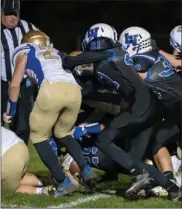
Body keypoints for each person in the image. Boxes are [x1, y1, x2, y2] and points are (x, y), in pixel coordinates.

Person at [62, 23, 182, 200]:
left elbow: (68, 60)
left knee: (104, 140)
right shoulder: (122, 54)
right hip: (151, 107)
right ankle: (172, 188)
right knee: (133, 160)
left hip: (142, 105)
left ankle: (142, 176)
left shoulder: (108, 55)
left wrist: (54, 57)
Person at [3, 30, 97, 197]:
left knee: (39, 138)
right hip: (74, 90)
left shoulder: (25, 50)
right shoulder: (57, 52)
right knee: (64, 133)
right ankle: (86, 169)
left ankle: (63, 182)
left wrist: (11, 110)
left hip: (51, 88)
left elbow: (15, 83)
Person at [1, 0, 38, 144]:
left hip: (24, 84)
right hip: (2, 84)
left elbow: (46, 44)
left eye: (15, 14)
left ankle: (19, 161)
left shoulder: (28, 28)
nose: (12, 17)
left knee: (23, 125)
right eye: (8, 13)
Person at [1, 126, 54, 195]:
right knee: (16, 178)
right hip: (21, 148)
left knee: (5, 189)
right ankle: (46, 180)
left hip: (9, 157)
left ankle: (44, 191)